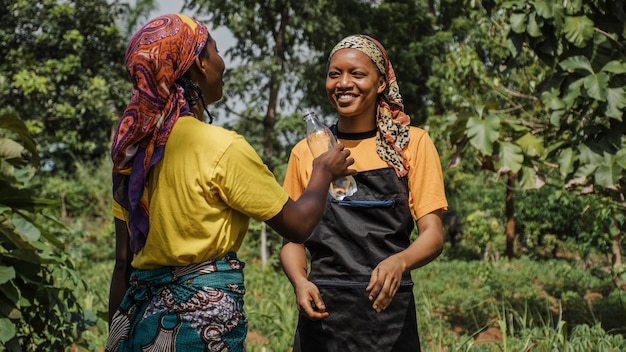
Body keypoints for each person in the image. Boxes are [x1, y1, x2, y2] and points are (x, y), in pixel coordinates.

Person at [105, 14, 356, 352]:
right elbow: (298, 226)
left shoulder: (130, 153)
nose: (223, 63)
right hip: (201, 326)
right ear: (198, 64)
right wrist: (323, 171)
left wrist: (116, 336)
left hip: (140, 326)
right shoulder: (220, 147)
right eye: (216, 51)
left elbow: (123, 263)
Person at [280, 34, 448, 351]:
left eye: (357, 74)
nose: (344, 83)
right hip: (323, 314)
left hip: (389, 313)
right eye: (335, 74)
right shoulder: (307, 152)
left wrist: (400, 262)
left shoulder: (411, 145)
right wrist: (300, 282)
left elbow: (433, 234)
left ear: (381, 83)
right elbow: (293, 240)